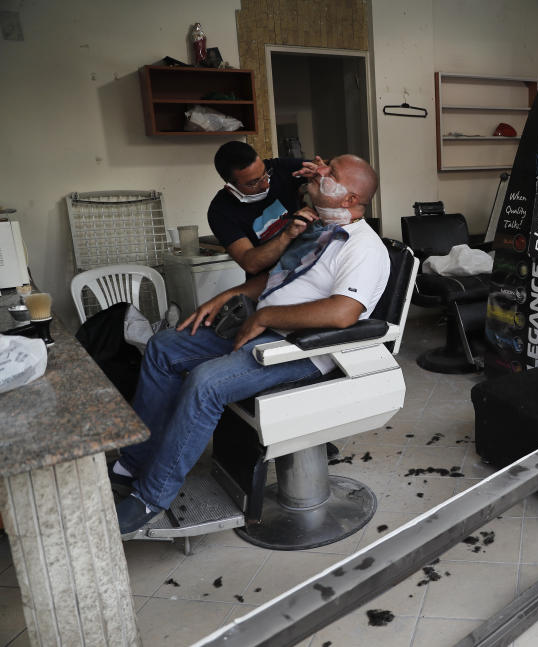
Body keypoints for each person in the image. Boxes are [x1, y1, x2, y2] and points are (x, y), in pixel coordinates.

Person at [112, 154, 389, 537]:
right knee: (163, 347)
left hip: (302, 349)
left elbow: (343, 312)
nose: (320, 170)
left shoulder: (364, 248)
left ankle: (151, 497)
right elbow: (275, 279)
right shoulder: (318, 227)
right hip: (262, 328)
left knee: (206, 383)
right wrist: (226, 297)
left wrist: (264, 318)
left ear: (348, 198)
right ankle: (138, 461)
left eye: (332, 172)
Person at [207, 141, 319, 275]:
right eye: (254, 183)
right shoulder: (220, 211)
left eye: (265, 174)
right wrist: (287, 235)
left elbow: (324, 167)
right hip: (270, 280)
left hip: (309, 265)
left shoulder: (278, 168)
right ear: (231, 187)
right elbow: (250, 263)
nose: (266, 185)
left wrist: (321, 169)